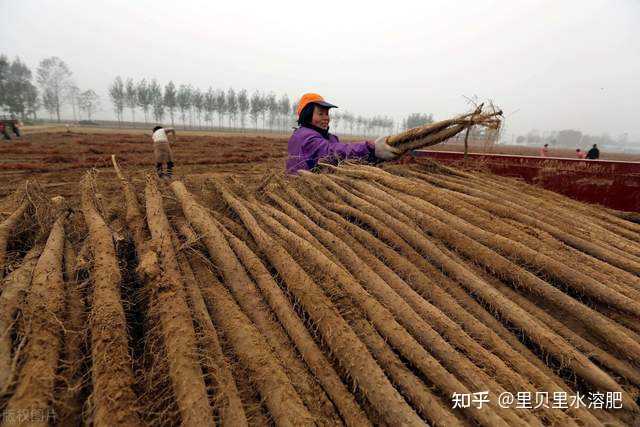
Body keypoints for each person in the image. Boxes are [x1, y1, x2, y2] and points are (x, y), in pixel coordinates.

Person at [286, 93, 399, 174]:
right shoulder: (306, 137)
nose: (326, 118)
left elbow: (342, 158)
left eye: (327, 114)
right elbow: (331, 152)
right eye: (320, 114)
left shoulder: (326, 137)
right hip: (307, 190)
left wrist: (374, 157)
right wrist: (370, 148)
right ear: (307, 115)